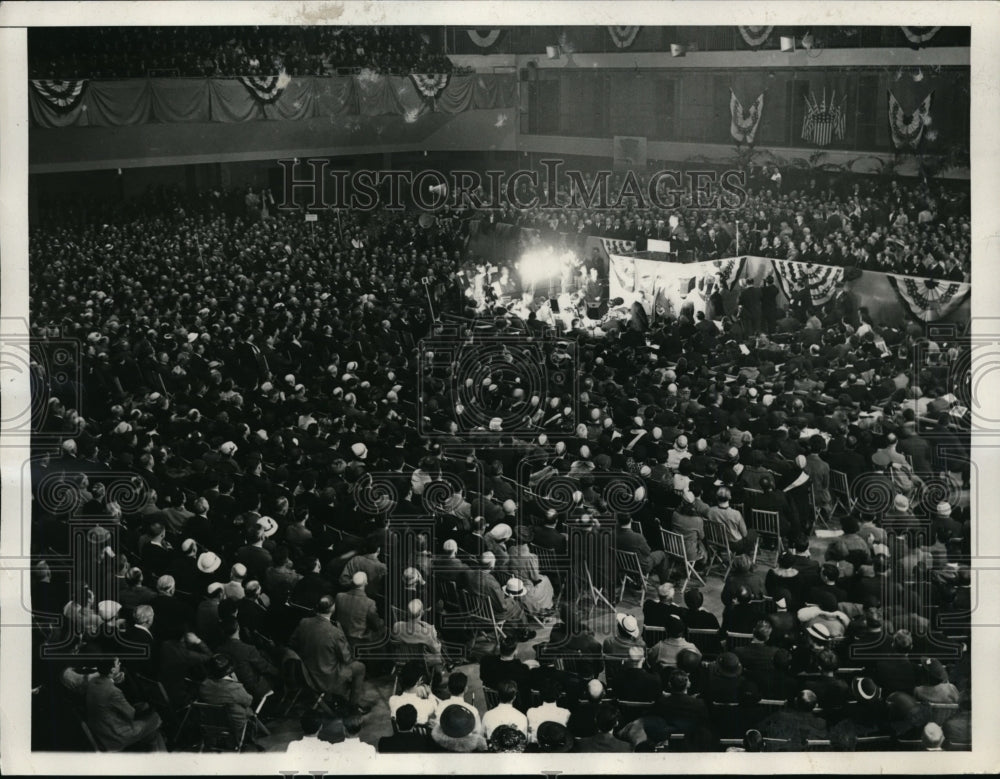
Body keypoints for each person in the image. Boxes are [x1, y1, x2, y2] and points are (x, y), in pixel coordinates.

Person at [287, 596, 369, 714]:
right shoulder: (335, 632)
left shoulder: (303, 622)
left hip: (306, 674)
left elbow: (292, 643)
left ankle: (339, 697)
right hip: (326, 677)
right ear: (333, 608)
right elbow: (346, 659)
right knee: (359, 667)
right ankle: (353, 707)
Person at [85, 655, 166, 752]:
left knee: (149, 728)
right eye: (118, 664)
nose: (120, 664)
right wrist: (151, 708)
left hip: (100, 732)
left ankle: (152, 749)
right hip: (115, 736)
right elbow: (131, 713)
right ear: (113, 670)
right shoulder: (113, 691)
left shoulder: (92, 682)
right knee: (155, 718)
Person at [196, 653, 260, 747]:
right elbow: (249, 701)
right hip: (235, 724)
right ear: (230, 670)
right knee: (249, 709)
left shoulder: (204, 685)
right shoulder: (233, 688)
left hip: (213, 724)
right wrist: (236, 681)